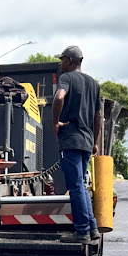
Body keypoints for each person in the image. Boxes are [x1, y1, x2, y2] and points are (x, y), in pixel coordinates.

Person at [51, 45, 103, 244]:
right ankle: (92, 227)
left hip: (70, 140)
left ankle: (81, 231)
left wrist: (55, 122)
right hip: (86, 141)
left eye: (62, 59)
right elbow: (98, 116)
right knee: (81, 184)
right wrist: (95, 142)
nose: (60, 63)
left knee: (75, 186)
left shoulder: (67, 78)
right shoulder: (94, 84)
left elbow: (59, 97)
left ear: (71, 61)